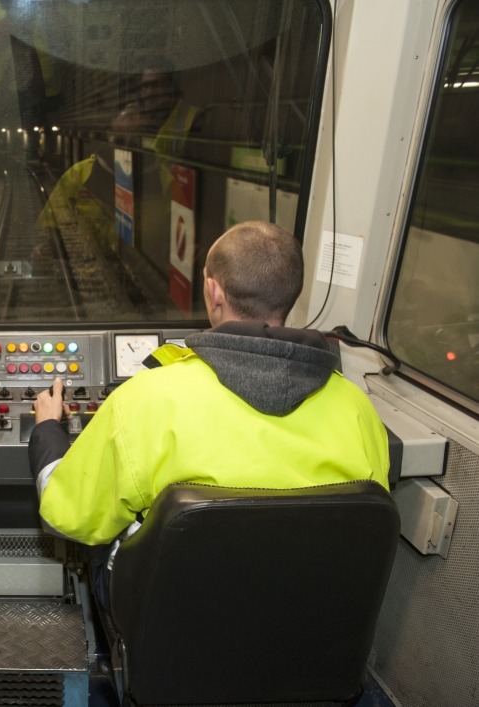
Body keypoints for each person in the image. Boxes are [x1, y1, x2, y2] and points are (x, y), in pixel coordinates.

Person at [28, 220, 390, 609]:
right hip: (302, 618)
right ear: (292, 295)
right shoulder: (357, 409)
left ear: (213, 292)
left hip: (174, 621)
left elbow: (67, 517)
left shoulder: (149, 399)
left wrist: (48, 431)